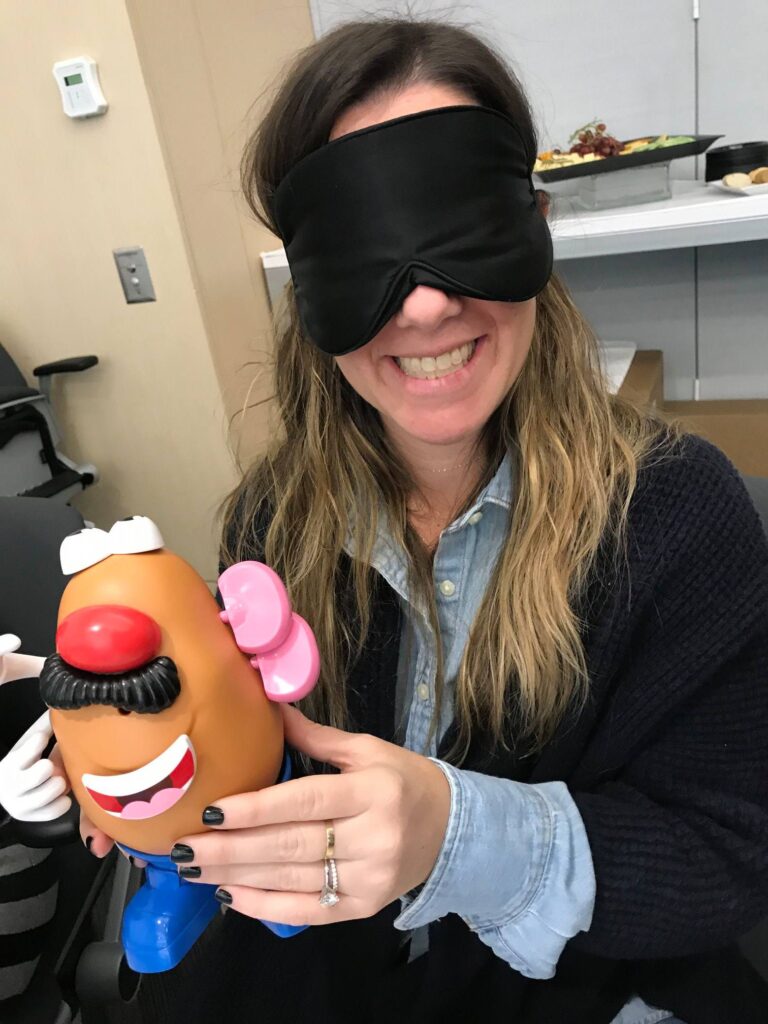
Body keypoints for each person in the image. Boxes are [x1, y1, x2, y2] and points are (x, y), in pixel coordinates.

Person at [3, 16, 768, 1024]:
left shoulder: (680, 517)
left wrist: (456, 834)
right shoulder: (278, 519)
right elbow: (259, 754)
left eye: (460, 229)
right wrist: (131, 766)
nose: (421, 309)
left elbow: (726, 856)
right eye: (367, 253)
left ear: (532, 222)